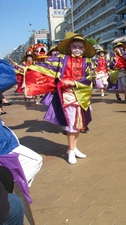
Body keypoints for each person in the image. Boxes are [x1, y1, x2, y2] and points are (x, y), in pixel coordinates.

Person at [24, 32, 96, 164]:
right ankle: (71, 150)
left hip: (83, 95)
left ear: (84, 48)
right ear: (70, 46)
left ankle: (73, 148)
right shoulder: (61, 59)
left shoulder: (88, 61)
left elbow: (90, 77)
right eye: (75, 46)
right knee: (71, 125)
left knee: (80, 124)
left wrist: (75, 83)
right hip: (67, 96)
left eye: (81, 47)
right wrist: (29, 75)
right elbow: (45, 68)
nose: (78, 49)